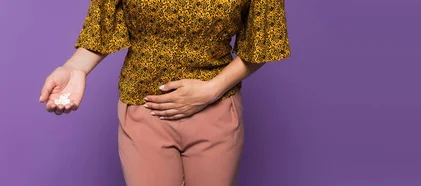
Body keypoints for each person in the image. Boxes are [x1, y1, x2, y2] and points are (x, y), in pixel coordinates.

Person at [38, 0, 291, 185]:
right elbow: (101, 30)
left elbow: (263, 42)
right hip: (144, 109)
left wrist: (211, 90)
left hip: (217, 110)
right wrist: (73, 68)